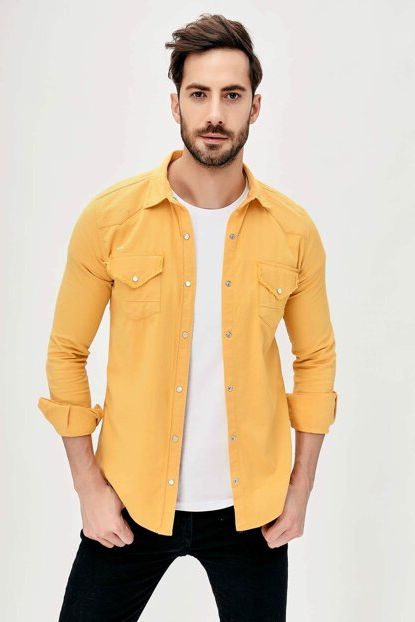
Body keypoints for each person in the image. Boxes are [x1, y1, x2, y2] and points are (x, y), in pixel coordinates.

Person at [38, 12, 338, 622]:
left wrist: (300, 489)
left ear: (255, 106)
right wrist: (89, 488)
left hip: (253, 515)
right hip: (129, 502)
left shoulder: (293, 231)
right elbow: (66, 352)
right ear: (175, 103)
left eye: (232, 95)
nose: (214, 114)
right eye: (199, 94)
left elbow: (316, 359)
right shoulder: (111, 220)